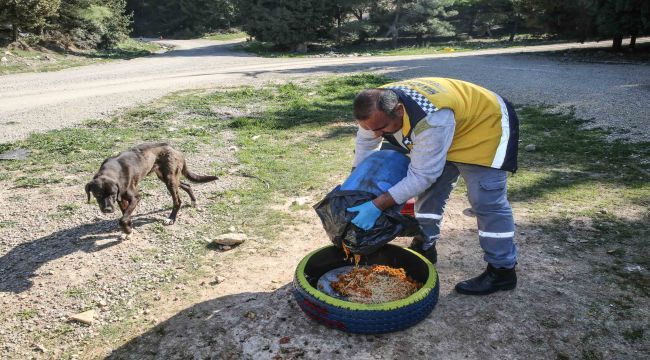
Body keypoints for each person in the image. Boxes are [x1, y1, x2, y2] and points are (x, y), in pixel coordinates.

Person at [346, 77, 519, 296]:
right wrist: (354, 186)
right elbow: (366, 143)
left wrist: (378, 205)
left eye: (382, 128)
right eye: (372, 129)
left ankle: (502, 271)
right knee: (430, 195)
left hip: (484, 126)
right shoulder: (376, 107)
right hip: (448, 127)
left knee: (486, 201)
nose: (378, 134)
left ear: (399, 110)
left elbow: (422, 175)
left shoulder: (431, 119)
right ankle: (425, 246)